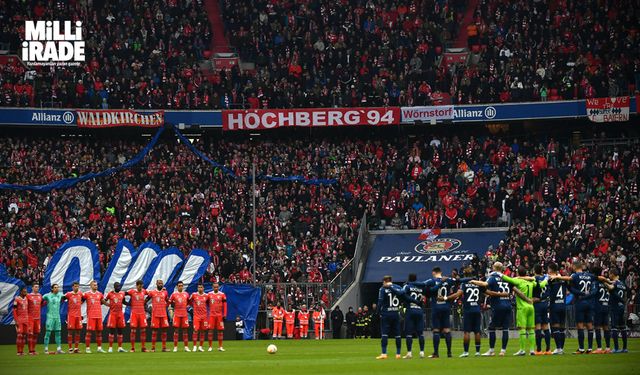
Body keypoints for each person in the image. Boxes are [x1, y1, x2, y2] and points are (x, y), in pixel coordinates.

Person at [494, 266, 548, 356]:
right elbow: (542, 285)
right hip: (531, 307)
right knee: (531, 329)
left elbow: (506, 278)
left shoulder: (518, 281)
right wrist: (546, 278)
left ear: (518, 273)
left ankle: (522, 350)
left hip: (522, 308)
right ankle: (532, 350)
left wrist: (497, 273)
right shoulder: (531, 282)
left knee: (522, 329)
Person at [552, 261, 597, 353]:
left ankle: (581, 348)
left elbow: (570, 283)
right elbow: (597, 279)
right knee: (589, 325)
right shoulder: (589, 275)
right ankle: (590, 348)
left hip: (580, 302)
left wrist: (558, 277)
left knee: (580, 325)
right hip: (589, 302)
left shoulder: (575, 275)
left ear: (575, 266)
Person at [471, 262, 512, 356]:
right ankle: (503, 351)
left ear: (494, 268)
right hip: (508, 305)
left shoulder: (493, 277)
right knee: (505, 328)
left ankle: (491, 350)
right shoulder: (506, 278)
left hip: (498, 306)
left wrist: (474, 281)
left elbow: (485, 284)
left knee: (491, 327)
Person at [376, 275, 421, 360]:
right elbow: (404, 296)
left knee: (384, 334)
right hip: (396, 313)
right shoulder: (398, 287)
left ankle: (384, 353)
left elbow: (380, 301)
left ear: (385, 281)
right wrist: (416, 301)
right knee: (397, 335)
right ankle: (398, 354)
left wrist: (378, 312)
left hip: (386, 313)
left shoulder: (382, 289)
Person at [448, 267, 482, 357]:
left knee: (466, 332)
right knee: (477, 332)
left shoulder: (464, 284)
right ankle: (477, 351)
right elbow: (486, 292)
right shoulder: (478, 283)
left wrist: (447, 298)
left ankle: (466, 352)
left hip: (468, 309)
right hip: (477, 309)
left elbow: (457, 294)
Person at [424, 267, 456, 358]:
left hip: (436, 307)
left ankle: (436, 353)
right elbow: (457, 281)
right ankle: (449, 353)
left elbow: (428, 289)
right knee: (447, 330)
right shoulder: (448, 280)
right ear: (441, 272)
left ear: (433, 272)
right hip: (446, 307)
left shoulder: (431, 281)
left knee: (436, 330)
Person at [401, 273, 426, 358]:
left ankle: (409, 353)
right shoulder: (420, 287)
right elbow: (423, 297)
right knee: (420, 333)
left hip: (410, 310)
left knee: (409, 333)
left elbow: (403, 295)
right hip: (419, 311)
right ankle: (422, 352)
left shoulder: (407, 286)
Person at [604, 268, 628, 353]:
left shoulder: (615, 283)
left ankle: (616, 348)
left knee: (614, 327)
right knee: (622, 327)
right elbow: (625, 295)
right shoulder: (622, 284)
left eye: (610, 274)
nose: (609, 276)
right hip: (621, 307)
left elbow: (611, 287)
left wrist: (604, 282)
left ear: (613, 274)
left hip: (615, 307)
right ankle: (625, 348)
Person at [546, 262, 567, 354]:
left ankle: (558, 348)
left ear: (550, 270)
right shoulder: (562, 279)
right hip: (563, 305)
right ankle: (561, 348)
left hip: (554, 305)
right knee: (562, 328)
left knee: (555, 327)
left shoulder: (550, 280)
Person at [591, 266, 611, 354]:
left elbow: (594, 293)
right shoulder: (605, 283)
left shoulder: (595, 282)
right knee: (606, 327)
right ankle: (608, 347)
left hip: (598, 306)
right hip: (606, 306)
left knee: (597, 327)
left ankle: (599, 348)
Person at [532, 264, 552, 355]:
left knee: (538, 327)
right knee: (546, 326)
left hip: (537, 304)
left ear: (534, 271)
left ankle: (539, 350)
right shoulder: (546, 278)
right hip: (545, 304)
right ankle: (548, 349)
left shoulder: (534, 279)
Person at [42, 283, 65, 354]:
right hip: (50, 317)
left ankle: (59, 348)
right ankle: (46, 349)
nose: (57, 289)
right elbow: (41, 301)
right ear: (52, 289)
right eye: (55, 287)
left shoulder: (60, 295)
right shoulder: (47, 296)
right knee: (48, 332)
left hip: (57, 317)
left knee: (58, 332)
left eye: (57, 287)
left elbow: (65, 298)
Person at [104, 282, 127, 353]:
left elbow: (124, 302)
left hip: (120, 314)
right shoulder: (110, 294)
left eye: (119, 286)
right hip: (113, 314)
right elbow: (104, 300)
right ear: (114, 287)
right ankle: (110, 347)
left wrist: (131, 304)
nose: (118, 287)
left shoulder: (122, 294)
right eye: (117, 286)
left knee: (120, 331)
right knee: (112, 331)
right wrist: (108, 304)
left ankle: (120, 347)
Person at [148, 279, 169, 352]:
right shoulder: (152, 293)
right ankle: (153, 348)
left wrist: (165, 306)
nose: (160, 284)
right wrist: (148, 309)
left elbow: (168, 301)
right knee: (154, 331)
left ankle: (164, 348)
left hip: (163, 314)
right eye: (159, 283)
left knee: (164, 331)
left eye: (161, 283)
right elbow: (145, 301)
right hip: (155, 315)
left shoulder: (165, 292)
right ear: (156, 284)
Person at [126, 279, 148, 352]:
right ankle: (132, 348)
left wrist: (145, 302)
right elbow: (123, 294)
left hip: (142, 313)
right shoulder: (132, 291)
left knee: (143, 331)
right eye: (139, 286)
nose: (140, 288)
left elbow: (151, 294)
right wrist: (126, 303)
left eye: (141, 286)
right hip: (134, 313)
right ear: (136, 285)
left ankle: (143, 348)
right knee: (133, 331)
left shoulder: (144, 291)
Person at [84, 280, 105, 353]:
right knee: (89, 332)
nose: (96, 286)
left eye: (96, 285)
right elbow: (80, 301)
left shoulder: (100, 294)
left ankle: (99, 348)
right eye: (94, 285)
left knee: (99, 332)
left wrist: (110, 305)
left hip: (98, 315)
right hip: (91, 316)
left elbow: (103, 302)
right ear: (91, 286)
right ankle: (87, 348)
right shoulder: (86, 294)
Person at [169, 281, 191, 352]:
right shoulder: (174, 294)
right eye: (179, 286)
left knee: (185, 331)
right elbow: (170, 302)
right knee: (176, 331)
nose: (181, 287)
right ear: (177, 287)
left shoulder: (186, 294)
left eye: (182, 285)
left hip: (184, 314)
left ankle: (186, 347)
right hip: (177, 314)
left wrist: (186, 307)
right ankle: (175, 347)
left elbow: (189, 302)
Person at [63, 281, 83, 353]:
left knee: (78, 332)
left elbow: (83, 299)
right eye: (75, 286)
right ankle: (70, 348)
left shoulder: (80, 294)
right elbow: (62, 299)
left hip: (78, 315)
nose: (76, 287)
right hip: (71, 315)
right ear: (72, 287)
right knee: (70, 332)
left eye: (77, 286)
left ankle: (76, 348)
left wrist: (80, 303)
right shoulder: (69, 294)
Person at [208, 282, 227, 351]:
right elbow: (206, 303)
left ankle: (220, 346)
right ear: (212, 287)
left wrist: (224, 314)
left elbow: (225, 305)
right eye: (214, 287)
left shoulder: (222, 295)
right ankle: (210, 347)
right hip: (212, 315)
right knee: (210, 330)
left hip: (219, 316)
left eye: (217, 287)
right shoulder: (209, 294)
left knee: (220, 331)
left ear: (218, 287)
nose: (216, 288)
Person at [190, 283, 209, 352]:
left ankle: (200, 346)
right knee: (195, 330)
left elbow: (209, 303)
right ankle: (194, 346)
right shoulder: (194, 295)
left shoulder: (207, 296)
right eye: (198, 287)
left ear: (203, 288)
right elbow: (189, 301)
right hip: (196, 316)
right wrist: (193, 307)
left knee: (203, 331)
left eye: (201, 287)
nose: (200, 288)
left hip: (204, 316)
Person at [26, 284, 43, 355]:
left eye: (38, 287)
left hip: (37, 318)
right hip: (30, 318)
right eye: (35, 287)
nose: (37, 288)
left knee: (36, 334)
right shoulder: (28, 296)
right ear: (32, 287)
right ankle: (30, 350)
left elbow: (41, 304)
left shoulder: (40, 296)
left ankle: (33, 350)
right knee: (30, 334)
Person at [13, 287, 29, 355]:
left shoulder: (26, 298)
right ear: (21, 292)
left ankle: (22, 351)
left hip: (26, 320)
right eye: (24, 291)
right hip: (19, 320)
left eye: (26, 291)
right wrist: (16, 320)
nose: (25, 292)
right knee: (19, 335)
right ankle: (18, 351)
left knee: (24, 336)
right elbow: (14, 310)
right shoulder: (17, 299)